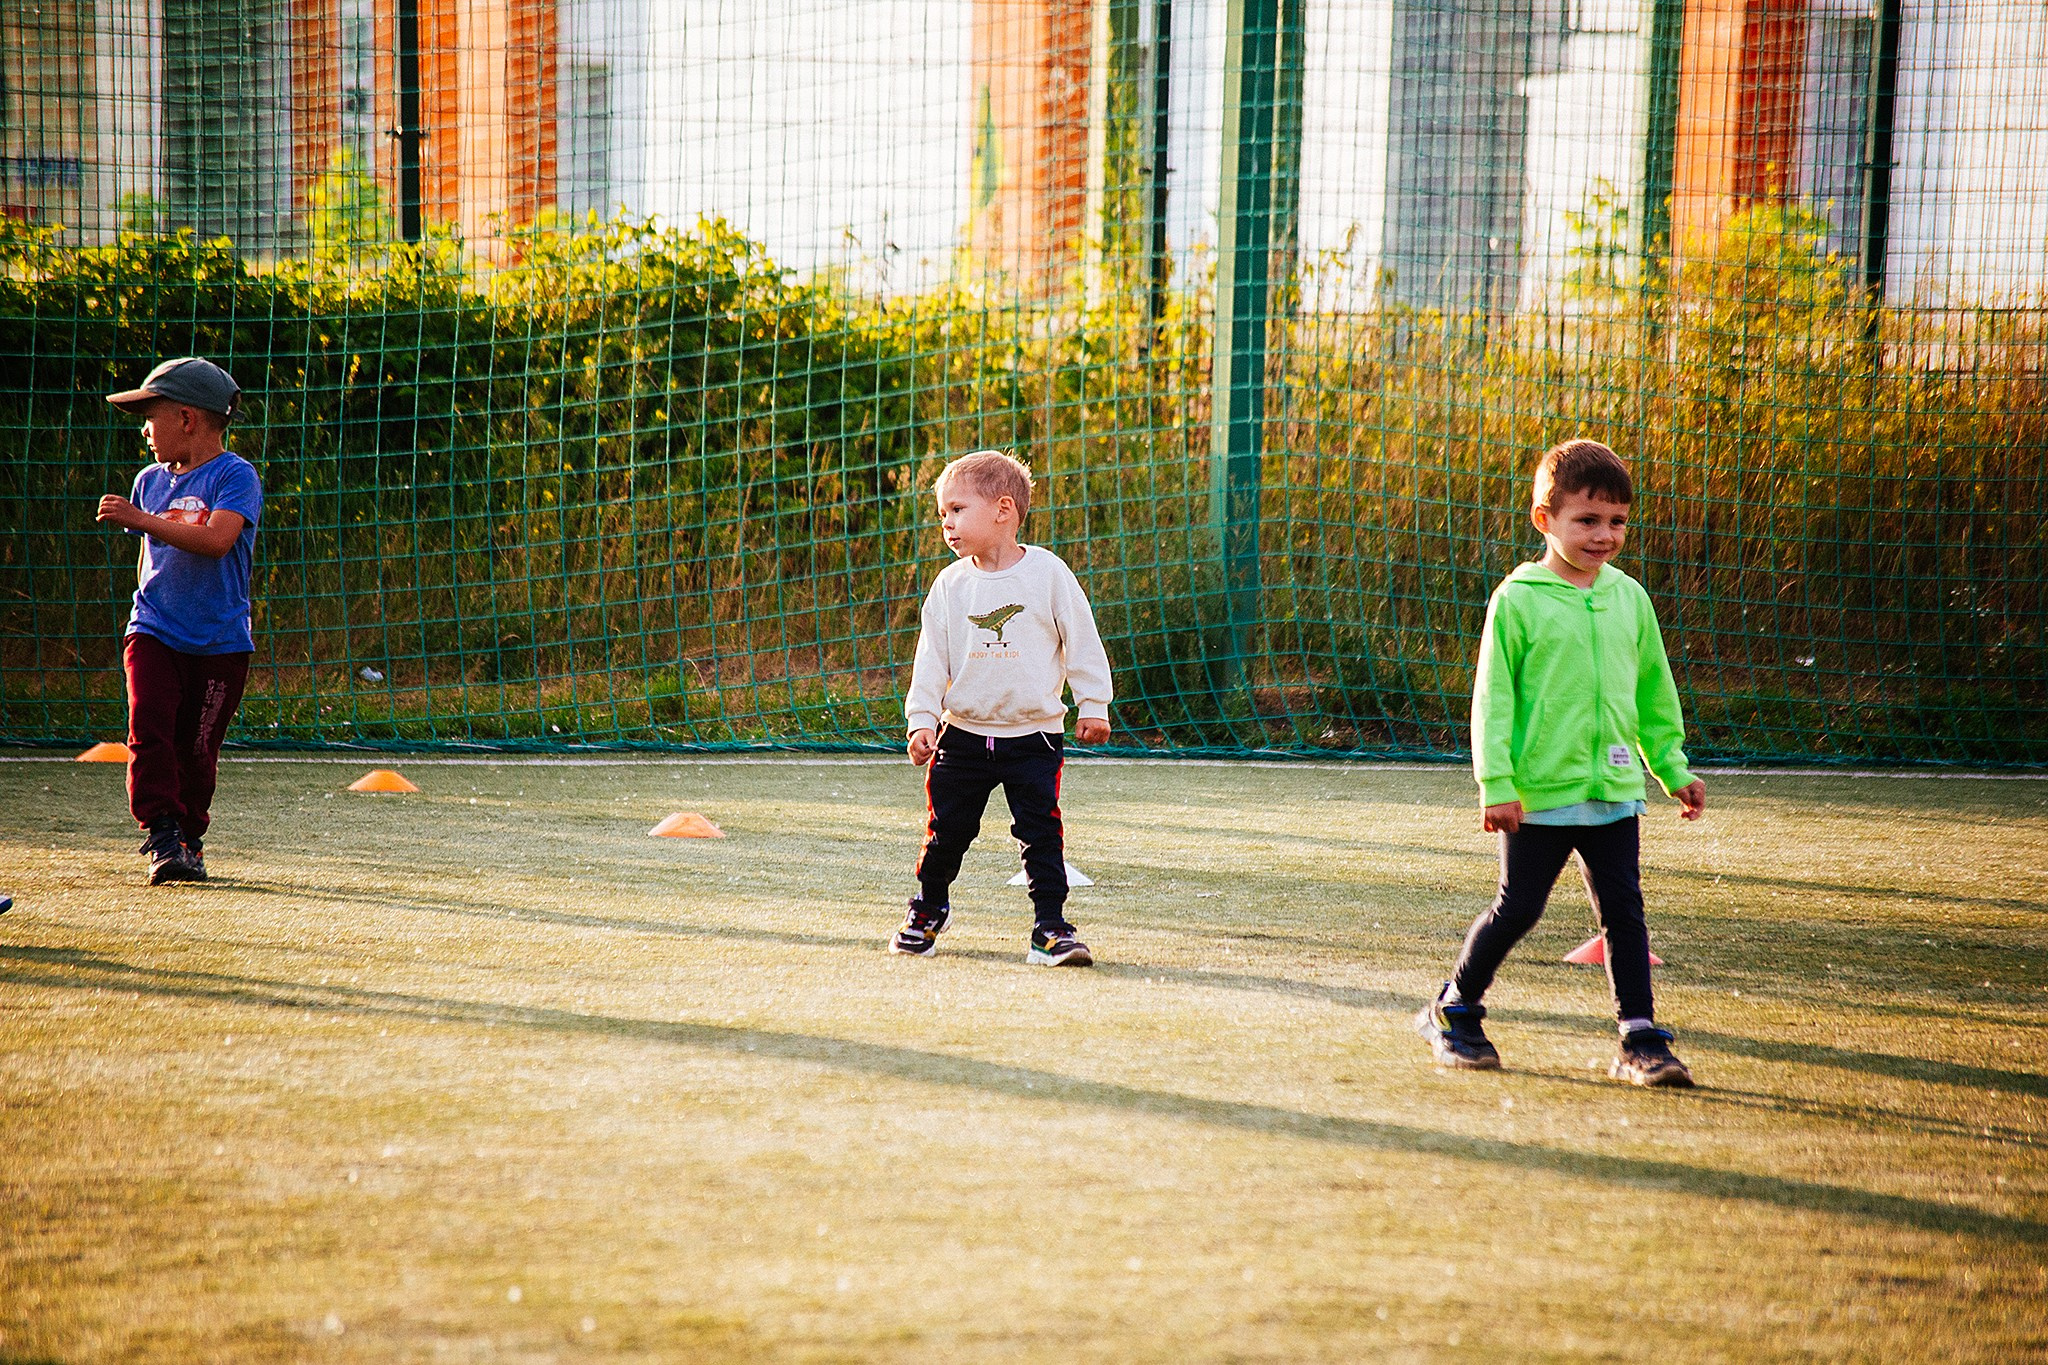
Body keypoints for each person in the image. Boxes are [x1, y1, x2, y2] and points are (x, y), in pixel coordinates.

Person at [1415, 438, 1706, 1087]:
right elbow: (1492, 700)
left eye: (1617, 521)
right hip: (1538, 792)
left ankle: (1639, 1037)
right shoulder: (1518, 600)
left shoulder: (1630, 599)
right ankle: (1455, 1008)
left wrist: (1672, 767)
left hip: (1613, 787)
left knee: (1624, 912)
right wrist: (1497, 782)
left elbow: (1654, 693)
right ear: (1545, 519)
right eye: (1587, 519)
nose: (1604, 534)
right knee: (1519, 907)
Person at [894, 450, 1114, 966]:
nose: (946, 523)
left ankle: (1050, 930)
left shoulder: (1047, 574)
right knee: (947, 832)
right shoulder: (951, 585)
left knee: (1041, 834)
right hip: (962, 737)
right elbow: (931, 659)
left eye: (957, 509)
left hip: (1034, 739)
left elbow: (1081, 638)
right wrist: (922, 720)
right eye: (942, 513)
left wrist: (1093, 702)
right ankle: (928, 908)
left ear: (1003, 509)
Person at [95, 358, 262, 885]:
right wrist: (141, 516)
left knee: (197, 747)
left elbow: (217, 541)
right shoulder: (149, 481)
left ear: (188, 419)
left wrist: (141, 520)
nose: (144, 429)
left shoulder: (235, 475)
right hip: (154, 629)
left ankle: (190, 836)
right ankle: (163, 835)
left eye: (151, 416)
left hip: (221, 642)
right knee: (150, 728)